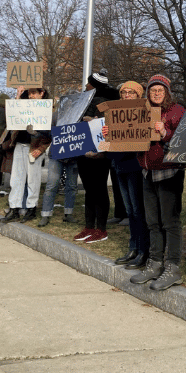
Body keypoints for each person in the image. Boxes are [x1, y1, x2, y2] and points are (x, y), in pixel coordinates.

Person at [130, 74, 186, 291]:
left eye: (160, 90)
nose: (156, 93)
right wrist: (113, 134)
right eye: (152, 90)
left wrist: (164, 132)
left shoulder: (177, 111)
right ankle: (154, 263)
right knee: (152, 221)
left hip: (169, 172)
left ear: (167, 92)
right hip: (147, 171)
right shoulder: (140, 111)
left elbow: (184, 139)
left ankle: (172, 267)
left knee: (170, 221)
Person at [72, 71, 119, 244]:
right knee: (90, 190)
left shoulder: (109, 102)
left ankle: (101, 229)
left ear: (94, 85)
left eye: (88, 83)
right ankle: (89, 227)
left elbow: (109, 126)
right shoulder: (85, 100)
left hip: (99, 152)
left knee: (98, 190)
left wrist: (90, 120)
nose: (85, 86)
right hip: (85, 150)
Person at [109, 81, 149, 269]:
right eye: (123, 92)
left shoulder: (143, 112)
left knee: (137, 210)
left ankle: (143, 250)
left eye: (131, 92)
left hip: (135, 165)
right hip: (119, 164)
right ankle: (133, 247)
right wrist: (107, 133)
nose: (126, 95)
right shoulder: (115, 114)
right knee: (130, 210)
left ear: (138, 95)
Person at [0, 87, 51, 224]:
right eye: (29, 93)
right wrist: (18, 96)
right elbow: (12, 116)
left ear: (42, 93)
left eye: (34, 93)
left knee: (33, 180)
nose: (31, 96)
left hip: (35, 147)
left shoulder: (47, 109)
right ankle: (14, 208)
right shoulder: (23, 105)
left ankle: (31, 209)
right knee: (16, 179)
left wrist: (41, 147)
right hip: (20, 145)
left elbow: (50, 134)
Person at [39, 97, 79, 228]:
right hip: (56, 155)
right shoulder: (54, 116)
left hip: (73, 156)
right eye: (66, 103)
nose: (68, 105)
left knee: (72, 186)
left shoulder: (79, 116)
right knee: (52, 185)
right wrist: (36, 129)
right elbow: (46, 131)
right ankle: (45, 214)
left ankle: (68, 213)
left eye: (71, 103)